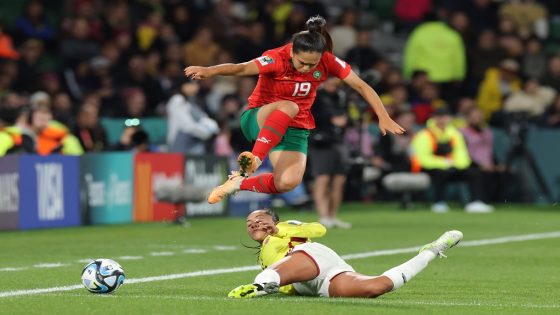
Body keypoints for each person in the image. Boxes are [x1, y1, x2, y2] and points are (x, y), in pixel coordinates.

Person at [184, 15, 404, 204]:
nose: (308, 68)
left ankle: (236, 184)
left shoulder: (328, 61)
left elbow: (361, 86)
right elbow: (241, 68)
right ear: (292, 52)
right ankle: (255, 160)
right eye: (302, 63)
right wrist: (209, 71)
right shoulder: (276, 58)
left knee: (287, 182)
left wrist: (383, 116)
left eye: (313, 64)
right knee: (290, 105)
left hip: (295, 127)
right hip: (258, 118)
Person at [227, 209, 463, 298]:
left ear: (274, 220)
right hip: (313, 285)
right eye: (249, 222)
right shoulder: (263, 253)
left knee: (272, 274)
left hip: (311, 257)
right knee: (376, 287)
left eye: (260, 219)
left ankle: (259, 287)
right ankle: (432, 251)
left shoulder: (285, 228)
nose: (253, 223)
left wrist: (279, 229)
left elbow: (319, 229)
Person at [410, 107, 493, 213]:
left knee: (474, 173)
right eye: (439, 117)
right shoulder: (424, 135)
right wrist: (443, 163)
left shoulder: (455, 134)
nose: (443, 120)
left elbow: (461, 154)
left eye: (445, 117)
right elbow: (422, 158)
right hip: (429, 168)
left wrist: (456, 165)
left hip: (452, 166)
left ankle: (476, 202)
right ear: (434, 118)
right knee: (441, 173)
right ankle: (438, 203)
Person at [308, 77, 351, 229]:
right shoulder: (315, 97)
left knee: (339, 181)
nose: (334, 86)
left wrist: (343, 121)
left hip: (338, 142)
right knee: (323, 179)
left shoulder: (341, 97)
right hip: (320, 143)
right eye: (332, 82)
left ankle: (332, 216)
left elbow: (347, 118)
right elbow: (310, 117)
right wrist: (332, 119)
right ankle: (323, 215)